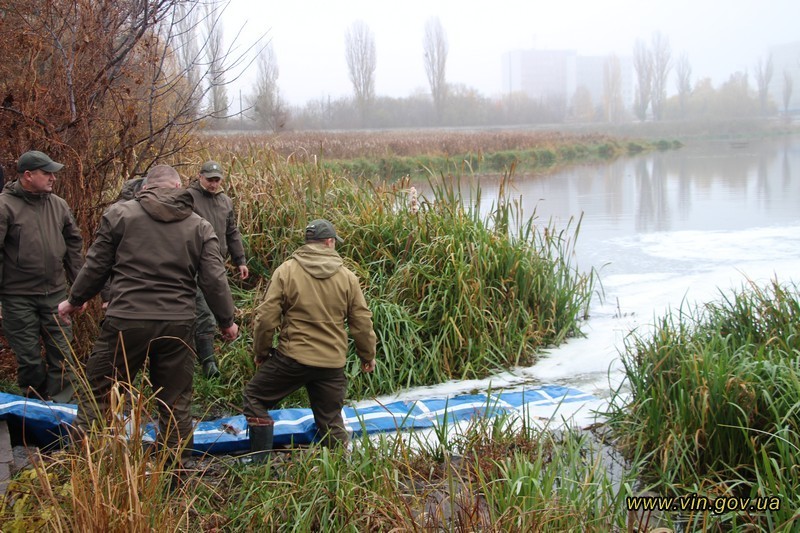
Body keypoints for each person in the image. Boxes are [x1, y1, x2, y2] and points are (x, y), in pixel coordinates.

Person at [58, 164, 238, 460]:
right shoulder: (199, 225)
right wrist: (226, 321)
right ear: (178, 186)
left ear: (146, 188)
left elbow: (96, 266)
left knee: (100, 389)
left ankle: (82, 462)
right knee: (175, 400)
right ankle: (173, 472)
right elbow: (214, 279)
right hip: (178, 323)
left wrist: (75, 299)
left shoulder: (120, 215)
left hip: (127, 319)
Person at [243, 219, 376, 457]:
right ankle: (339, 473)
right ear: (328, 242)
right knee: (330, 419)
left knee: (254, 397)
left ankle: (258, 463)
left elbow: (265, 318)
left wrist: (261, 353)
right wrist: (368, 356)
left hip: (292, 359)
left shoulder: (286, 271)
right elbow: (362, 322)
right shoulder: (347, 277)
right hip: (332, 364)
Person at [0, 150, 84, 402]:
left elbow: (74, 246)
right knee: (29, 360)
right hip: (17, 297)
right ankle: (33, 409)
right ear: (28, 175)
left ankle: (61, 412)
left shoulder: (58, 204)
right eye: (46, 173)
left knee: (63, 355)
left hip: (56, 296)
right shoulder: (4, 206)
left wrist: (80, 291)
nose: (53, 178)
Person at [187, 160, 249, 378]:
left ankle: (199, 352)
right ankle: (208, 364)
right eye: (209, 179)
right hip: (191, 264)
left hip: (216, 264)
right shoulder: (188, 198)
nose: (213, 184)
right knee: (204, 313)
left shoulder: (225, 201)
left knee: (211, 308)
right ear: (200, 176)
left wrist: (240, 259)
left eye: (217, 180)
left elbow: (232, 232)